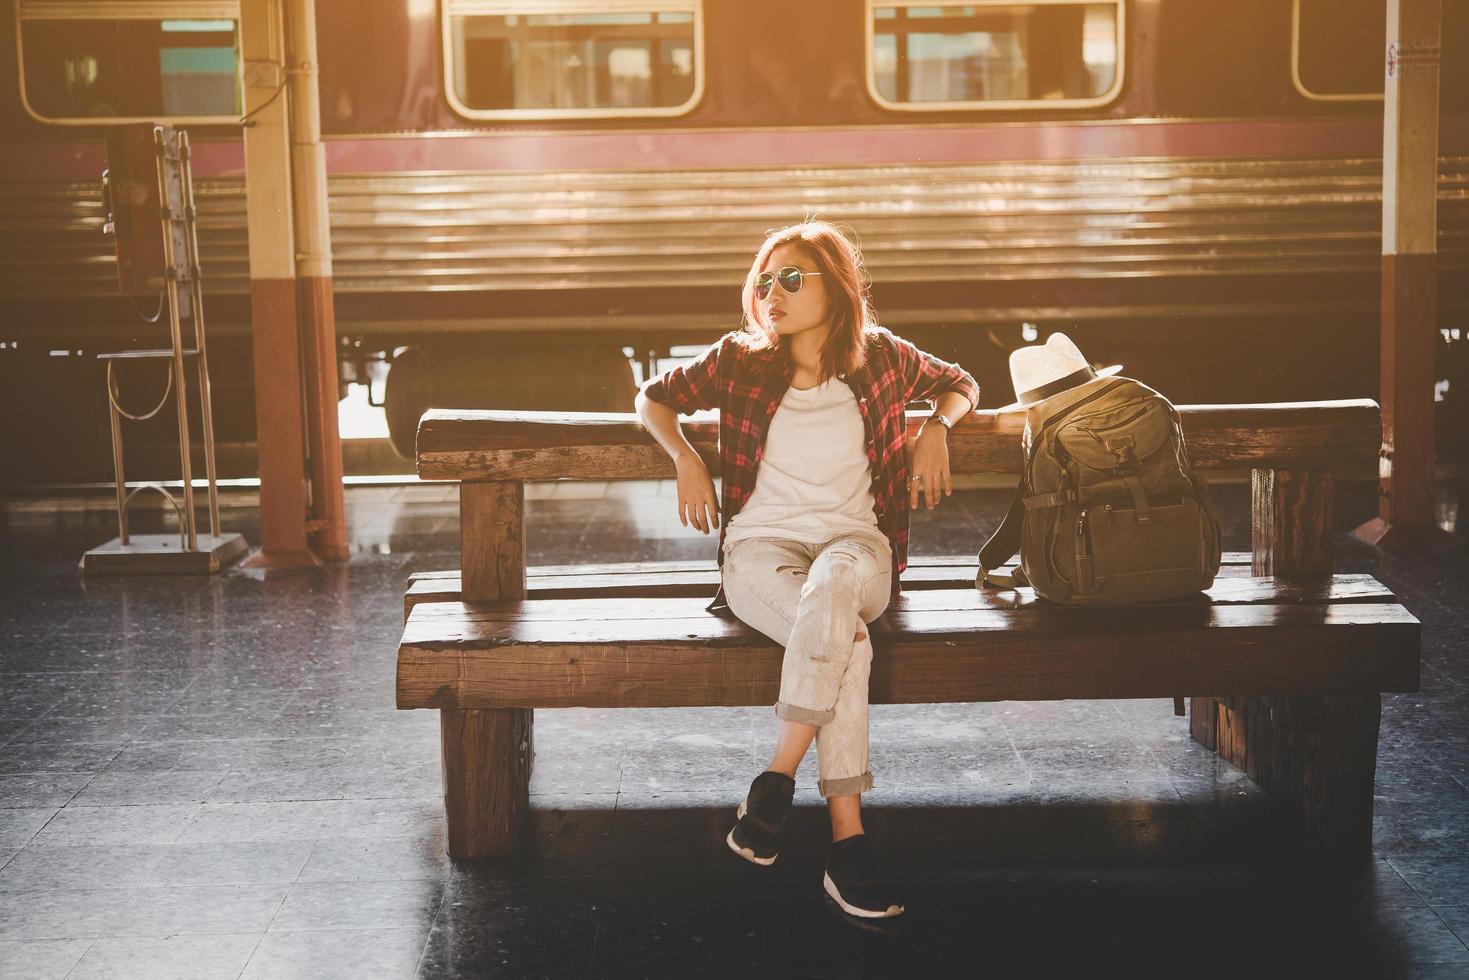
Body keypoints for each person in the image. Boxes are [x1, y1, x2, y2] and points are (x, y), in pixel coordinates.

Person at [634, 220, 979, 921]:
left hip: (857, 546)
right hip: (759, 552)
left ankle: (776, 777)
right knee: (843, 637)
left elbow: (961, 382)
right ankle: (847, 845)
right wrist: (685, 457)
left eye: (791, 279)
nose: (772, 295)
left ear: (837, 288)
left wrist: (936, 426)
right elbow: (652, 397)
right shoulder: (737, 360)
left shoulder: (882, 358)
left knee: (834, 593)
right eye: (762, 281)